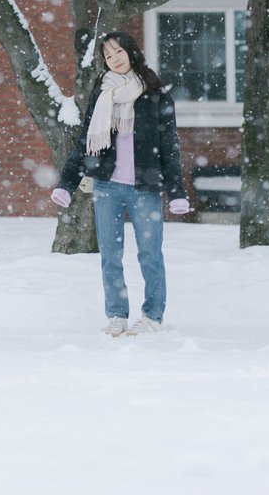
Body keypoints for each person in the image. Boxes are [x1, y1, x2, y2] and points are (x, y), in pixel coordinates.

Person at [51, 31, 190, 336]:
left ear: (131, 52)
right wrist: (67, 183)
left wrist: (177, 191)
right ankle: (116, 314)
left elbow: (170, 146)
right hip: (107, 186)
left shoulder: (155, 93)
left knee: (150, 253)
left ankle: (152, 315)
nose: (113, 60)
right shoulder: (102, 94)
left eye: (118, 52)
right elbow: (85, 141)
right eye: (108, 56)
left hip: (145, 187)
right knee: (110, 255)